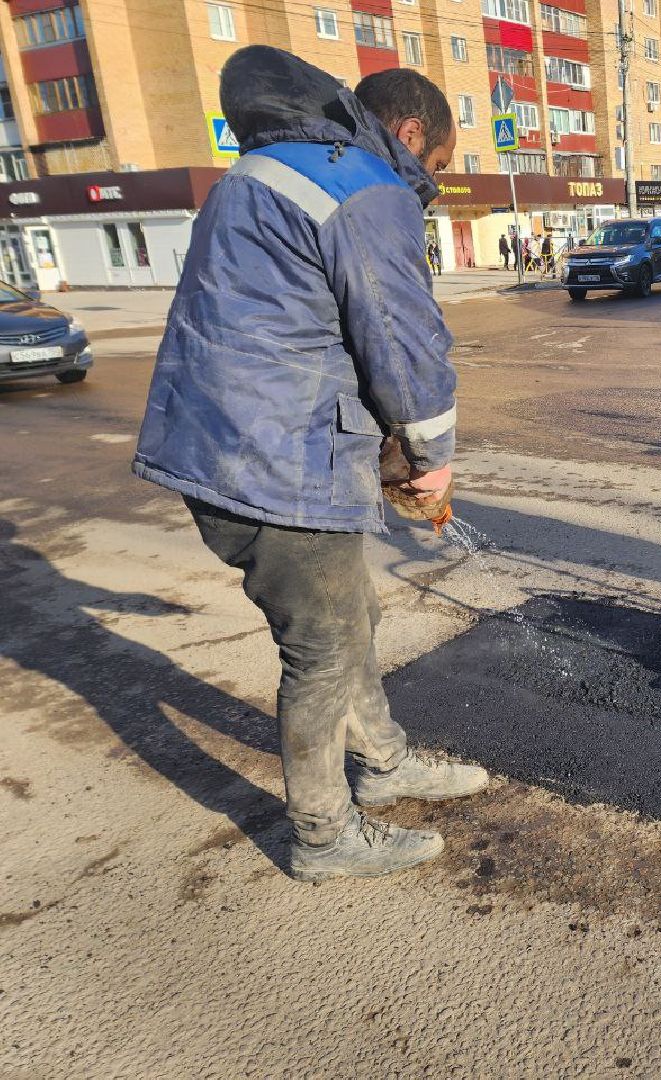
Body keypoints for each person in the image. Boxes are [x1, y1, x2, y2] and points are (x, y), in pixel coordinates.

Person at [132, 49, 488, 882]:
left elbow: (293, 324)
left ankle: (386, 763)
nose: (430, 181)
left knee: (349, 613)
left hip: (226, 443)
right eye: (436, 164)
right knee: (322, 647)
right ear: (407, 134)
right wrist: (430, 461)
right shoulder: (363, 188)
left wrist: (377, 449)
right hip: (274, 462)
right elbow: (401, 342)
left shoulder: (260, 172)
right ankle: (324, 835)